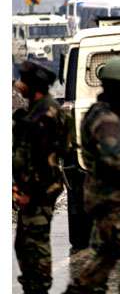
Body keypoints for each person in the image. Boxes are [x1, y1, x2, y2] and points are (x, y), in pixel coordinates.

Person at [65, 56, 120, 293]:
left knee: (107, 254)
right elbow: (113, 160)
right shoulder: (106, 119)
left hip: (107, 196)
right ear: (118, 87)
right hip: (112, 198)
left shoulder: (105, 113)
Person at [13, 61, 70, 294]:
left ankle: (40, 286)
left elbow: (43, 161)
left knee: (36, 243)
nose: (19, 85)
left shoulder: (44, 115)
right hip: (36, 187)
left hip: (39, 189)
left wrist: (27, 191)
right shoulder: (37, 110)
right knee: (25, 243)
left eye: (23, 81)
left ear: (33, 85)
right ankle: (34, 284)